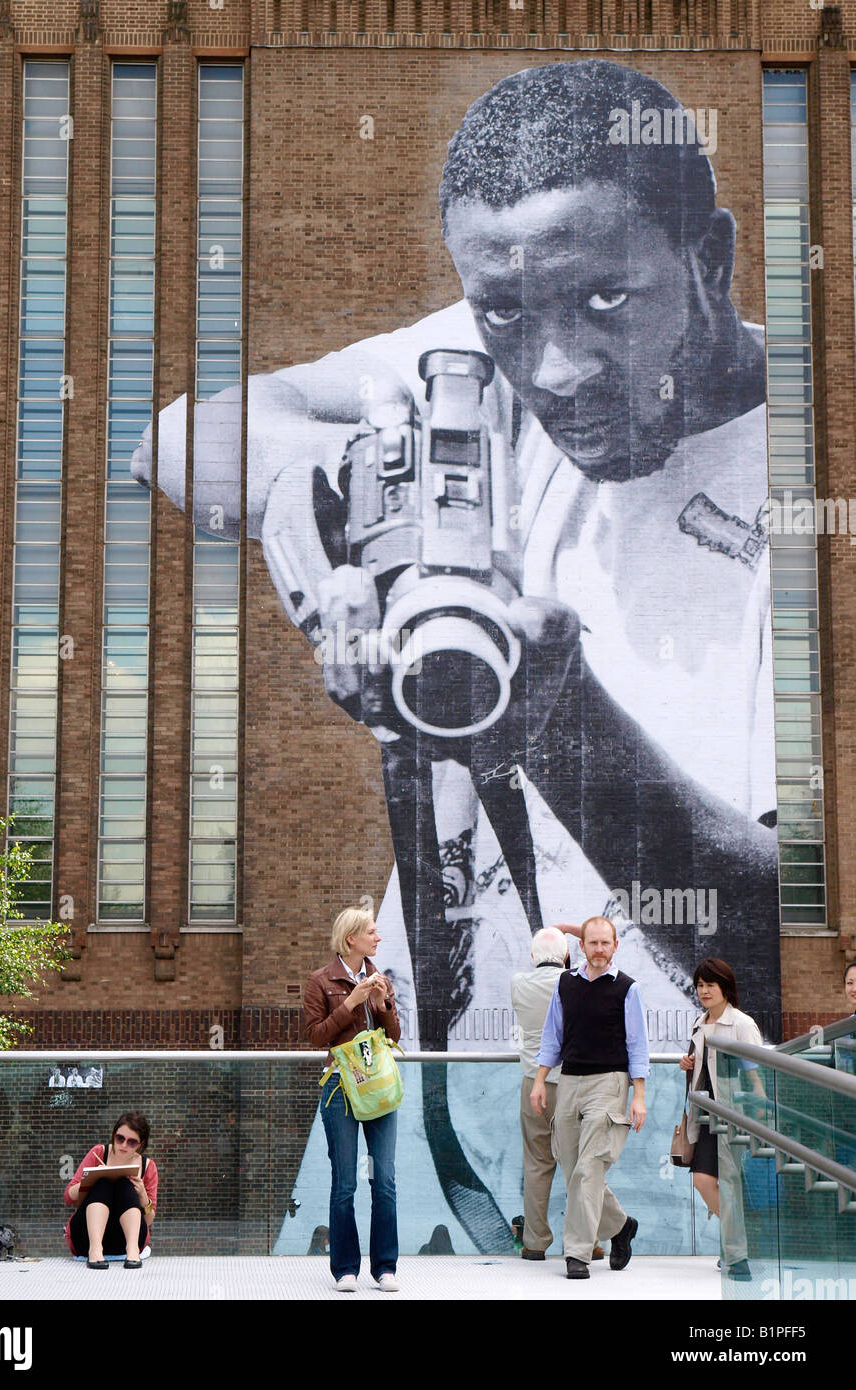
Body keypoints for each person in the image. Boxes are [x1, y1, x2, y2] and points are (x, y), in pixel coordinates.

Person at [136, 58, 779, 1252]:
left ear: (712, 259)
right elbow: (176, 434)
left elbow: (782, 947)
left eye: (605, 305)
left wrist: (563, 730)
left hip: (672, 1147)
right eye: (502, 314)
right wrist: (302, 502)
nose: (549, 372)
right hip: (426, 1123)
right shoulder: (488, 352)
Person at [531, 915, 648, 1279]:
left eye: (605, 943)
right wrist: (540, 1080)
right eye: (593, 943)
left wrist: (638, 1095)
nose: (599, 949)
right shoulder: (565, 984)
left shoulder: (628, 988)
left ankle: (577, 1254)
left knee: (590, 1166)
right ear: (581, 946)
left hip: (610, 1084)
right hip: (569, 1083)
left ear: (615, 946)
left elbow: (637, 1045)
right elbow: (552, 1037)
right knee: (573, 1169)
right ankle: (621, 1225)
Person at [303, 906, 401, 1291]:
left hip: (379, 1088)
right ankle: (345, 1268)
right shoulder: (320, 981)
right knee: (345, 1181)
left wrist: (381, 1006)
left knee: (384, 1179)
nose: (378, 938)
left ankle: (385, 1267)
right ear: (351, 939)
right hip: (340, 1088)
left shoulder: (380, 980)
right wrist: (349, 1003)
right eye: (372, 932)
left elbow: (395, 1036)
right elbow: (315, 1036)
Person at [680, 958, 764, 1281]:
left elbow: (755, 1072)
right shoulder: (699, 1025)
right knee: (703, 1180)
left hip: (732, 1113)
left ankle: (737, 1255)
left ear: (725, 987)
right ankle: (738, 1241)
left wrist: (757, 1108)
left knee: (727, 1183)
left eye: (710, 985)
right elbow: (703, 1068)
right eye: (700, 985)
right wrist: (687, 1063)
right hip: (704, 1114)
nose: (704, 991)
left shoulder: (741, 1024)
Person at [511, 924, 580, 1260]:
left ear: (531, 956)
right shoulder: (576, 983)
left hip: (532, 1084)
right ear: (567, 955)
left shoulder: (518, 984)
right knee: (579, 1164)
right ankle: (586, 1240)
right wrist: (568, 930)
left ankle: (535, 1243)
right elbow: (602, 955)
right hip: (571, 1083)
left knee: (537, 1164)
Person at [63, 1111, 158, 1269]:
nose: (123, 1145)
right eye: (120, 1138)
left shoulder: (148, 1166)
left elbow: (148, 1220)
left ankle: (133, 1251)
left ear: (140, 1144)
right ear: (114, 1135)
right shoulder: (99, 1153)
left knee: (124, 1183)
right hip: (87, 1236)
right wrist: (92, 1178)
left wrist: (142, 1194)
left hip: (126, 1239)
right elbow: (68, 1197)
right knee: (103, 1182)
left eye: (131, 1142)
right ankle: (95, 1250)